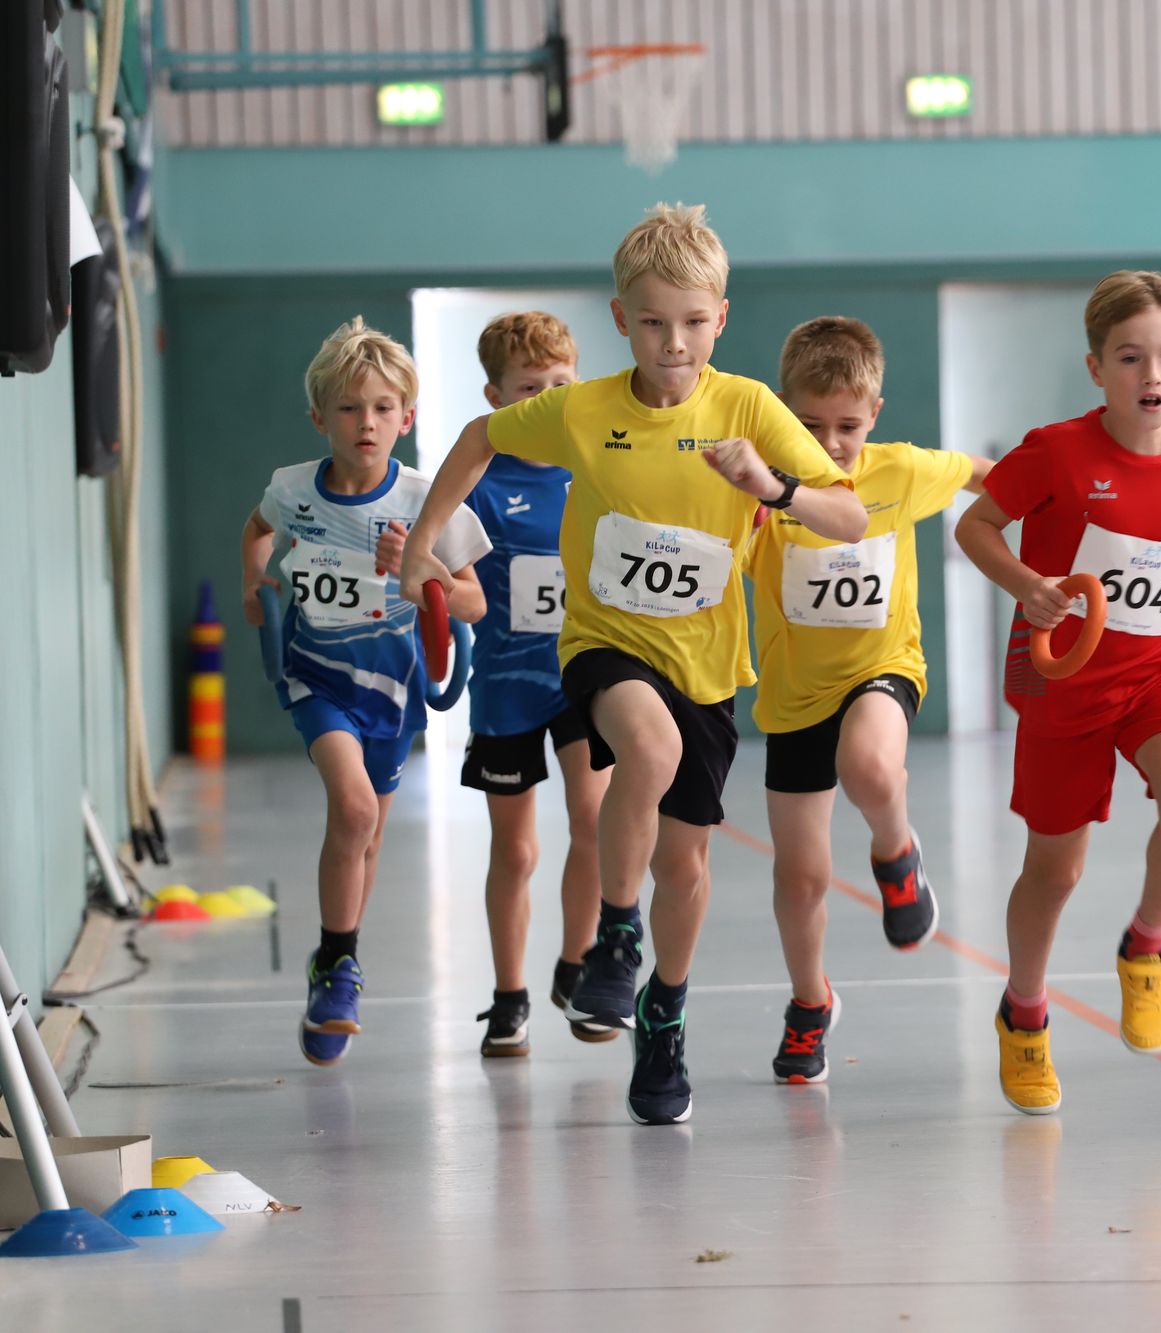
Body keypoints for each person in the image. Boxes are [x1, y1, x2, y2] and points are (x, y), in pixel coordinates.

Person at [396, 204, 865, 1124]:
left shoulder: (748, 408)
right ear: (620, 319)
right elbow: (480, 438)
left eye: (692, 322)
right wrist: (422, 545)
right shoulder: (584, 409)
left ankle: (665, 1009)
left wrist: (772, 486)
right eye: (652, 322)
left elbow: (847, 515)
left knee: (684, 868)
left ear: (720, 318)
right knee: (645, 749)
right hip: (605, 643)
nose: (673, 342)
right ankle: (615, 935)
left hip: (706, 665)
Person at [956, 271, 1161, 1115]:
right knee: (1055, 869)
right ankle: (1024, 1012)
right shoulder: (1056, 452)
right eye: (1130, 357)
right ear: (1096, 367)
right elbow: (976, 524)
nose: (1152, 373)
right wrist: (1026, 584)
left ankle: (1145, 946)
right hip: (1066, 679)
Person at [240, 317, 490, 1066]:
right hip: (317, 678)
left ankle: (335, 959)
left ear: (406, 417)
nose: (367, 423)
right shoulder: (293, 489)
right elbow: (257, 529)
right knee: (351, 809)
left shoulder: (426, 501)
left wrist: (420, 568)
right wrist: (256, 584)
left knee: (368, 832)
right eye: (349, 408)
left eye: (383, 407)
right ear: (320, 417)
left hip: (394, 690)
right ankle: (339, 964)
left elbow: (474, 602)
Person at [747, 316, 991, 1083]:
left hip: (882, 667)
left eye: (847, 426)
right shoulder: (761, 490)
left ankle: (896, 852)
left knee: (871, 766)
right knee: (800, 878)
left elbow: (988, 476)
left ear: (874, 414)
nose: (830, 443)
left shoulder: (901, 470)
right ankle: (810, 1001)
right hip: (795, 697)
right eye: (810, 425)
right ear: (783, 414)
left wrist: (1064, 505)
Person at [445, 311, 608, 1057]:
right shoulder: (478, 483)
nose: (547, 400)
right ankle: (509, 995)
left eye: (560, 385)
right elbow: (462, 590)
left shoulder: (598, 468)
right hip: (507, 687)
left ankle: (577, 963)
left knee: (596, 821)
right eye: (528, 389)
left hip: (583, 676)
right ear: (496, 397)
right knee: (515, 851)